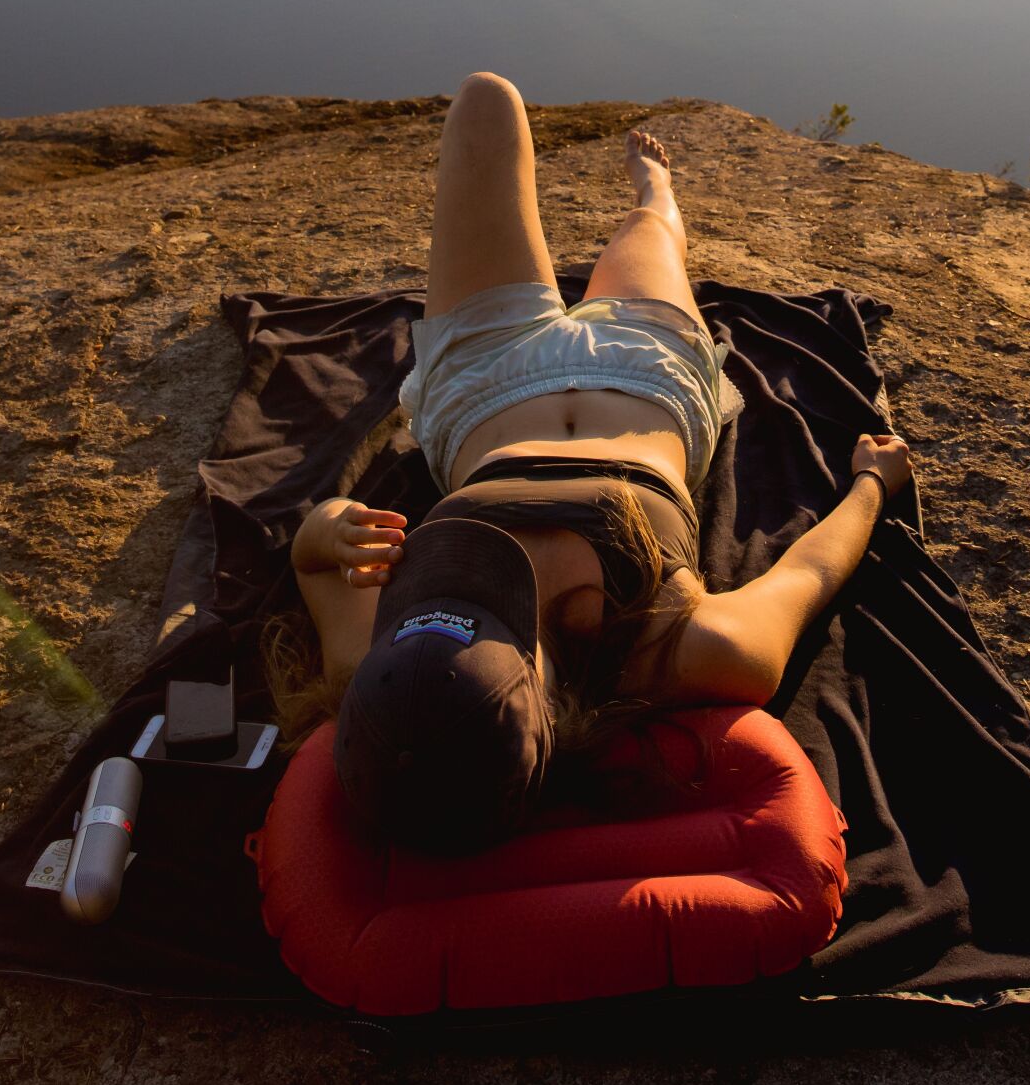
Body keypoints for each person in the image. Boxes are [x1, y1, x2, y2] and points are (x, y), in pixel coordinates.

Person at [276, 71, 912, 852]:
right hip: (646, 372)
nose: (450, 609)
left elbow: (309, 562)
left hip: (480, 383)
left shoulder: (377, 671)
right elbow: (806, 577)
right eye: (488, 621)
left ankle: (640, 204)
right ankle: (654, 187)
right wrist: (873, 487)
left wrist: (334, 528)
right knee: (650, 231)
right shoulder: (685, 649)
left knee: (486, 101)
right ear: (541, 701)